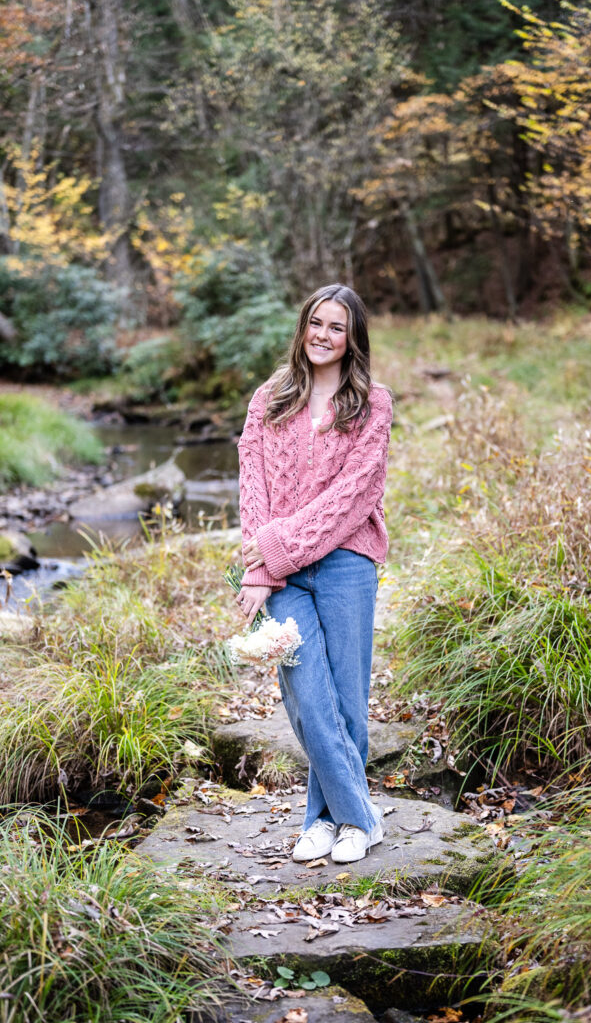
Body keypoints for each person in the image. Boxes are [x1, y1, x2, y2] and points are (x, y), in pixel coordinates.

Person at [234, 283, 392, 864]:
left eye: (337, 328)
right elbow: (253, 487)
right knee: (306, 696)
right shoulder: (269, 397)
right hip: (282, 574)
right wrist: (261, 566)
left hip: (347, 563)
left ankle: (327, 822)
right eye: (316, 323)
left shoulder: (373, 403)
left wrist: (275, 548)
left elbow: (354, 496)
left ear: (353, 339)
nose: (323, 336)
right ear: (303, 327)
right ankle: (360, 818)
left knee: (346, 699)